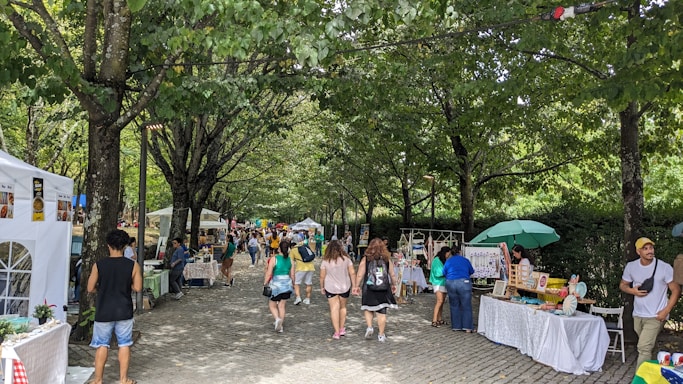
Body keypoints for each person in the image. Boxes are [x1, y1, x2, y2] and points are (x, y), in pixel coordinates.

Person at [87, 229, 143, 384]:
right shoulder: (133, 265)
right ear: (125, 246)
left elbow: (90, 288)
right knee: (124, 343)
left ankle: (98, 380)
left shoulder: (99, 265)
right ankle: (123, 379)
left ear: (108, 245)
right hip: (124, 309)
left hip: (104, 309)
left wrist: (102, 288)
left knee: (102, 345)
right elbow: (138, 288)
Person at [620, 237, 681, 370]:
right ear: (638, 251)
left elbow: (676, 290)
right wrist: (632, 291)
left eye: (651, 248)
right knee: (648, 347)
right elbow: (623, 285)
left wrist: (666, 311)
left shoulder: (664, 268)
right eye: (645, 248)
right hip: (638, 315)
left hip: (656, 316)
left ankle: (640, 378)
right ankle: (655, 372)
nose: (649, 251)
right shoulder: (631, 267)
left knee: (643, 347)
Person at [352, 238, 398, 342]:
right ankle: (381, 335)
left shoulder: (366, 259)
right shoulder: (387, 259)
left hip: (369, 288)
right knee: (382, 312)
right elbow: (392, 274)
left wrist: (356, 286)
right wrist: (394, 285)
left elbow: (360, 274)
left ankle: (370, 327)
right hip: (383, 288)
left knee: (368, 308)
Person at [320, 240, 356, 339]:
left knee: (334, 309)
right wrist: (355, 286)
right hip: (344, 286)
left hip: (330, 287)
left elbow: (322, 276)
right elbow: (352, 273)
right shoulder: (347, 260)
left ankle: (336, 332)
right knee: (343, 307)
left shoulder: (325, 261)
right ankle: (341, 328)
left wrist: (322, 287)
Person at [263, 240, 295, 333]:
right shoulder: (291, 260)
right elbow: (292, 274)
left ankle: (277, 319)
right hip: (287, 285)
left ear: (279, 248)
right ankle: (280, 325)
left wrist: (265, 282)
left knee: (272, 305)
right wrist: (293, 283)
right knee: (282, 306)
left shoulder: (274, 259)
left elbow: (269, 273)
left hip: (276, 285)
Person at [443, 245, 475, 332]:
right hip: (463, 283)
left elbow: (444, 272)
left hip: (451, 282)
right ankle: (467, 327)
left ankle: (456, 326)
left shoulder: (448, 261)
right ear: (460, 252)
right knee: (466, 305)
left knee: (454, 304)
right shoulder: (465, 260)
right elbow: (471, 271)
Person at [429, 246, 451, 327]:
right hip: (437, 283)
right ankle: (434, 320)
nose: (449, 255)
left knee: (442, 302)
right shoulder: (436, 260)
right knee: (439, 301)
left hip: (443, 282)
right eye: (448, 253)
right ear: (446, 252)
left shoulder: (443, 260)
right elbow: (437, 273)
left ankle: (439, 319)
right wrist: (447, 272)